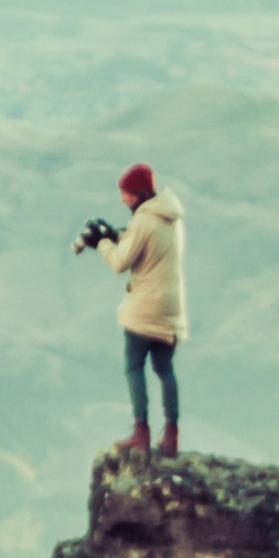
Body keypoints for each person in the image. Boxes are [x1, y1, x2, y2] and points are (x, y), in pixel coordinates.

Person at [77, 160, 188, 452]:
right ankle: (172, 434)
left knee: (133, 366)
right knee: (165, 369)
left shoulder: (143, 220)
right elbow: (146, 244)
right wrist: (116, 235)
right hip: (170, 308)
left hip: (144, 309)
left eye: (126, 193)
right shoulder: (170, 217)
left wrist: (101, 243)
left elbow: (119, 262)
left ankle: (141, 433)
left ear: (139, 194)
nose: (123, 199)